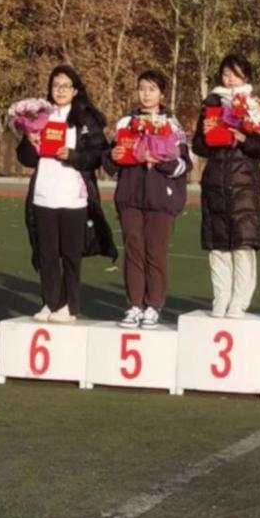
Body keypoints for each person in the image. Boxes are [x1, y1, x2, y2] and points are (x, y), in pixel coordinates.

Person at [17, 65, 117, 323]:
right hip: (44, 194)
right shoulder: (40, 117)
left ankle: (69, 306)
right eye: (55, 85)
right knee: (46, 253)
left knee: (71, 254)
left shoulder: (86, 119)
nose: (60, 90)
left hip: (73, 196)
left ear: (75, 90)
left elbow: (98, 155)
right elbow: (25, 158)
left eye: (65, 86)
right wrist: (30, 141)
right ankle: (50, 302)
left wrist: (72, 155)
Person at [104, 71, 189, 328]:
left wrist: (159, 161)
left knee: (156, 252)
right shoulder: (125, 123)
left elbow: (183, 165)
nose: (146, 94)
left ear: (162, 94)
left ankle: (154, 305)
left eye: (152, 89)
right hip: (129, 197)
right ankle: (134, 305)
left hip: (160, 199)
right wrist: (113, 157)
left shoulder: (172, 125)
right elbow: (110, 162)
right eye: (142, 88)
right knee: (133, 251)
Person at [191, 54, 260, 317]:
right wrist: (207, 134)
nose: (230, 79)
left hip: (244, 184)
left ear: (245, 77)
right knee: (218, 246)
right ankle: (220, 297)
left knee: (242, 245)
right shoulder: (210, 104)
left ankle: (239, 300)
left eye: (235, 74)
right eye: (226, 74)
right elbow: (198, 146)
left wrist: (243, 138)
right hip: (215, 183)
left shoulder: (254, 105)